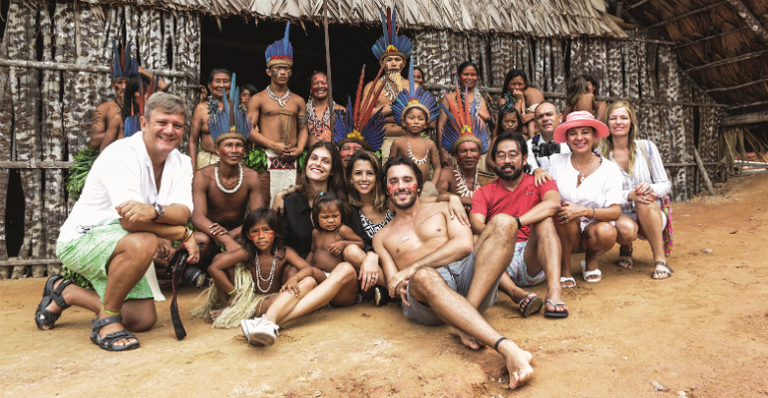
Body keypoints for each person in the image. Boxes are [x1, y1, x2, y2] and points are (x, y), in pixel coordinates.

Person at [37, 93, 199, 351]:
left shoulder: (182, 162)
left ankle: (65, 291)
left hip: (121, 241)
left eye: (177, 125)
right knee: (143, 241)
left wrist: (155, 211)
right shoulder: (122, 154)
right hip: (83, 238)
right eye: (162, 122)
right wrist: (181, 233)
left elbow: (182, 211)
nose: (170, 130)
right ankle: (106, 321)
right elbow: (132, 223)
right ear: (144, 123)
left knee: (142, 319)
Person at [373, 156, 534, 390]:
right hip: (426, 297)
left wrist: (410, 267)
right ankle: (507, 348)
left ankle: (462, 322)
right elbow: (394, 284)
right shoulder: (381, 236)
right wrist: (405, 276)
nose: (400, 186)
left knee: (504, 223)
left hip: (468, 279)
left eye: (407, 180)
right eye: (393, 181)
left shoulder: (443, 207)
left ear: (418, 185)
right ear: (387, 189)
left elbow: (464, 245)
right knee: (424, 276)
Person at [471, 132, 568, 317]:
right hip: (497, 261)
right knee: (475, 239)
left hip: (531, 257)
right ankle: (517, 294)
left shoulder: (540, 181)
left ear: (524, 159)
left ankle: (554, 291)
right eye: (501, 156)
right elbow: (476, 223)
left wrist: (514, 224)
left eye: (513, 155)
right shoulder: (484, 192)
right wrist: (500, 236)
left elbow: (553, 204)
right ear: (494, 161)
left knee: (545, 220)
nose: (507, 160)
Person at [194, 208, 316, 329]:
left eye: (266, 230)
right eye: (255, 232)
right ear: (248, 235)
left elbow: (307, 269)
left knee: (280, 296)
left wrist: (294, 279)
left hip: (274, 296)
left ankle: (237, 312)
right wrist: (233, 292)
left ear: (276, 231)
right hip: (252, 300)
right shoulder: (247, 253)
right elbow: (214, 268)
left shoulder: (284, 252)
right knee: (221, 259)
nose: (261, 236)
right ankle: (229, 308)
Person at [597, 101, 673, 279]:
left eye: (624, 117)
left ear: (631, 122)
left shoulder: (647, 148)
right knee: (627, 230)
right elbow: (600, 195)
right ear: (607, 122)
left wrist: (650, 188)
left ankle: (660, 259)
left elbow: (665, 184)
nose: (618, 122)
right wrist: (628, 195)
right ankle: (626, 245)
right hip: (620, 214)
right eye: (613, 118)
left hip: (650, 213)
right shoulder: (600, 155)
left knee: (644, 200)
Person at [191, 83, 263, 270]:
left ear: (245, 150)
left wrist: (232, 236)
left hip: (239, 231)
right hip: (211, 234)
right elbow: (198, 217)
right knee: (200, 241)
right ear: (217, 149)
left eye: (239, 145)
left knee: (258, 240)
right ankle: (203, 274)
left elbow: (257, 216)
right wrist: (222, 238)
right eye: (228, 145)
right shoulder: (202, 176)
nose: (234, 150)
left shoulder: (251, 177)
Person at [549, 111, 623, 286]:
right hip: (564, 229)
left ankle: (590, 259)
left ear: (594, 136)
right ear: (567, 138)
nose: (579, 138)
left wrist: (584, 212)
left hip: (593, 226)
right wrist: (537, 171)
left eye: (585, 132)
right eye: (573, 133)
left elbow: (615, 212)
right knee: (565, 214)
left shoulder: (610, 170)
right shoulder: (555, 162)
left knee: (607, 232)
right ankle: (565, 267)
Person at [247, 23, 308, 205]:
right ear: (268, 71)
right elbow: (248, 130)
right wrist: (273, 145)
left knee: (293, 203)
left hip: (293, 157)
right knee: (265, 203)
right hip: (267, 155)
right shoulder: (258, 99)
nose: (282, 72)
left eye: (286, 68)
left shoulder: (298, 100)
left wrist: (299, 149)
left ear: (291, 71)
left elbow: (304, 128)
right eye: (278, 68)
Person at [362, 6, 411, 162]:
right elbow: (365, 115)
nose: (394, 63)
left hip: (408, 140)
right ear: (381, 64)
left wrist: (381, 110)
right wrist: (396, 107)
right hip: (380, 141)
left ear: (403, 64)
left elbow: (422, 115)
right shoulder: (373, 86)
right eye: (389, 60)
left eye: (397, 60)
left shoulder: (412, 86)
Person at [389, 64, 442, 197]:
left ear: (426, 123)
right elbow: (390, 167)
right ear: (403, 121)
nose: (416, 121)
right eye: (411, 118)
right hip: (403, 190)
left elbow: (437, 168)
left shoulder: (429, 144)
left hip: (424, 191)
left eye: (420, 119)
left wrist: (431, 186)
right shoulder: (398, 143)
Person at [435, 84, 492, 207]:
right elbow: (438, 193)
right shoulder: (447, 173)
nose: (469, 155)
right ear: (455, 155)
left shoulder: (487, 178)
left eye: (473, 150)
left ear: (480, 155)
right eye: (463, 151)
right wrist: (470, 201)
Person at [437, 62, 491, 166]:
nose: (469, 77)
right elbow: (440, 125)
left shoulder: (482, 98)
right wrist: (442, 151)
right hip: (456, 151)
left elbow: (493, 123)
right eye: (466, 74)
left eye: (473, 74)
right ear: (458, 76)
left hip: (479, 153)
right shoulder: (449, 98)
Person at [306, 193, 365, 281]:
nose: (330, 220)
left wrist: (343, 244)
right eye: (325, 217)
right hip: (318, 273)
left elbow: (361, 244)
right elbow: (312, 251)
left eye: (335, 216)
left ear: (341, 215)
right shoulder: (316, 232)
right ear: (316, 217)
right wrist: (305, 266)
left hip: (335, 276)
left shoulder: (342, 230)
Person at [90, 40, 136, 151]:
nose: (124, 87)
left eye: (127, 83)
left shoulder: (139, 107)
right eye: (119, 83)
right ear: (112, 86)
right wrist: (119, 132)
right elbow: (94, 142)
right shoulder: (104, 109)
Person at [189, 68, 233, 169]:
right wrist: (192, 169)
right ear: (209, 85)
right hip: (207, 161)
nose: (221, 85)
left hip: (234, 163)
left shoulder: (239, 109)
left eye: (225, 81)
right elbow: (192, 141)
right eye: (217, 81)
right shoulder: (201, 108)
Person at [527, 102, 571, 178]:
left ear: (560, 118)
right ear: (536, 123)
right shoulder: (530, 146)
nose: (545, 119)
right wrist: (536, 170)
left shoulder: (571, 143)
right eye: (540, 116)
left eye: (549, 114)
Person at [497, 69, 544, 140]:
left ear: (525, 84)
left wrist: (533, 116)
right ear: (507, 85)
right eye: (513, 84)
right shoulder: (502, 101)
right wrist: (519, 100)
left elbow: (542, 114)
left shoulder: (530, 93)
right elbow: (512, 120)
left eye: (520, 84)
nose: (517, 87)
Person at [306, 71, 342, 147]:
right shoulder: (303, 110)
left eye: (323, 83)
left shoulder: (341, 111)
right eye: (315, 83)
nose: (320, 86)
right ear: (311, 89)